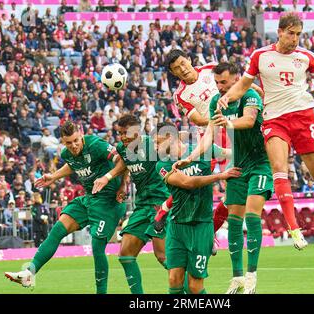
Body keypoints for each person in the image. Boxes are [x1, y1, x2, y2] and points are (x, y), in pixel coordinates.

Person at [218, 13, 314, 256]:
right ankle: (294, 228)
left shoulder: (306, 57)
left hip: (304, 117)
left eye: (298, 34)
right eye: (291, 33)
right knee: (279, 168)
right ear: (280, 31)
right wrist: (228, 96)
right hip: (275, 119)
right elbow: (244, 84)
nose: (294, 39)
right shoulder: (260, 56)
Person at [173, 62, 273, 294]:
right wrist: (191, 156)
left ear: (237, 79)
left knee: (251, 215)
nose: (219, 87)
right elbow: (209, 133)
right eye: (216, 82)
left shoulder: (248, 95)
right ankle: (237, 277)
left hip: (261, 163)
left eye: (224, 82)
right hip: (238, 165)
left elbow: (249, 120)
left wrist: (226, 122)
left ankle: (251, 276)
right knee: (235, 221)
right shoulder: (216, 102)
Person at [156, 49, 263, 252]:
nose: (182, 69)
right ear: (174, 73)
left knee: (233, 189)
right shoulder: (181, 95)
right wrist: (218, 119)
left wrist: (256, 91)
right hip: (211, 137)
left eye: (182, 63)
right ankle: (166, 209)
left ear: (188, 59)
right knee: (198, 182)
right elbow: (196, 118)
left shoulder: (209, 69)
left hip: (235, 130)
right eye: (176, 69)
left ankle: (208, 229)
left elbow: (238, 81)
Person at [5, 121, 126, 293]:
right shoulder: (66, 153)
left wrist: (111, 179)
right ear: (62, 141)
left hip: (109, 202)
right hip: (89, 199)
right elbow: (72, 164)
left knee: (97, 247)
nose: (74, 145)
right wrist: (54, 176)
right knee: (57, 231)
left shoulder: (96, 145)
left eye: (76, 140)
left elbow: (123, 160)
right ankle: (29, 273)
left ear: (81, 134)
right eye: (68, 143)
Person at [155, 121, 240, 294]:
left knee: (194, 284)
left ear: (170, 138)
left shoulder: (203, 150)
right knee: (174, 279)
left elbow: (232, 154)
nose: (155, 148)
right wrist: (221, 175)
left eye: (157, 143)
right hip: (177, 226)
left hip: (201, 226)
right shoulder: (162, 166)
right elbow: (188, 183)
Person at [112, 115, 171, 293]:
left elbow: (178, 140)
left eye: (126, 133)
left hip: (159, 203)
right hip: (142, 205)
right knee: (126, 255)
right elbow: (125, 161)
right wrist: (123, 183)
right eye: (120, 133)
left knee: (163, 256)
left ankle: (192, 291)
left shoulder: (153, 144)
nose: (122, 137)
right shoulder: (123, 148)